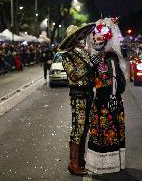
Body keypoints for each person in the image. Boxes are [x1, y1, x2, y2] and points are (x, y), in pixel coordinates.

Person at [85, 17, 126, 174]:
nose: (96, 40)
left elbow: (113, 78)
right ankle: (100, 164)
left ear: (107, 38)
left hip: (109, 99)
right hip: (100, 99)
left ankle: (111, 164)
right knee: (99, 133)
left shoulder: (110, 55)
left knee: (110, 132)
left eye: (99, 37)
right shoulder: (98, 56)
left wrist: (113, 97)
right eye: (94, 37)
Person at [59, 23, 101, 175]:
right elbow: (74, 75)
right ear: (73, 39)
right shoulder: (66, 55)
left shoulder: (85, 52)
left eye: (83, 35)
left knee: (85, 128)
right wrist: (89, 65)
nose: (83, 38)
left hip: (89, 93)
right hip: (78, 95)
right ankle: (73, 163)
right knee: (78, 128)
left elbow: (93, 71)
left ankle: (81, 160)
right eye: (80, 36)